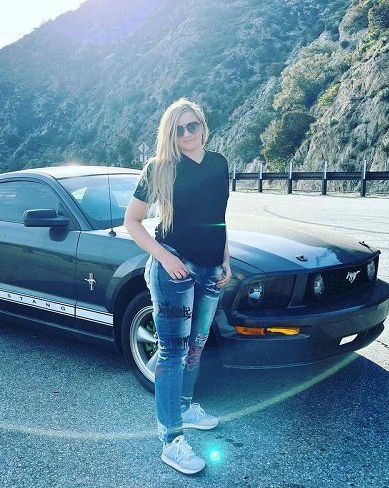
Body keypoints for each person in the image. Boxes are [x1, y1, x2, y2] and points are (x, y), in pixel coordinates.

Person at [124, 98, 232, 475]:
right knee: (173, 352)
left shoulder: (218, 163)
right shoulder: (159, 168)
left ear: (203, 125)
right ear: (170, 134)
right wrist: (165, 258)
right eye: (179, 129)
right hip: (174, 269)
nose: (187, 134)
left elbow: (219, 217)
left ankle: (185, 407)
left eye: (192, 126)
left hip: (211, 270)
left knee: (197, 344)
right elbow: (133, 221)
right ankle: (171, 441)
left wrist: (225, 259)